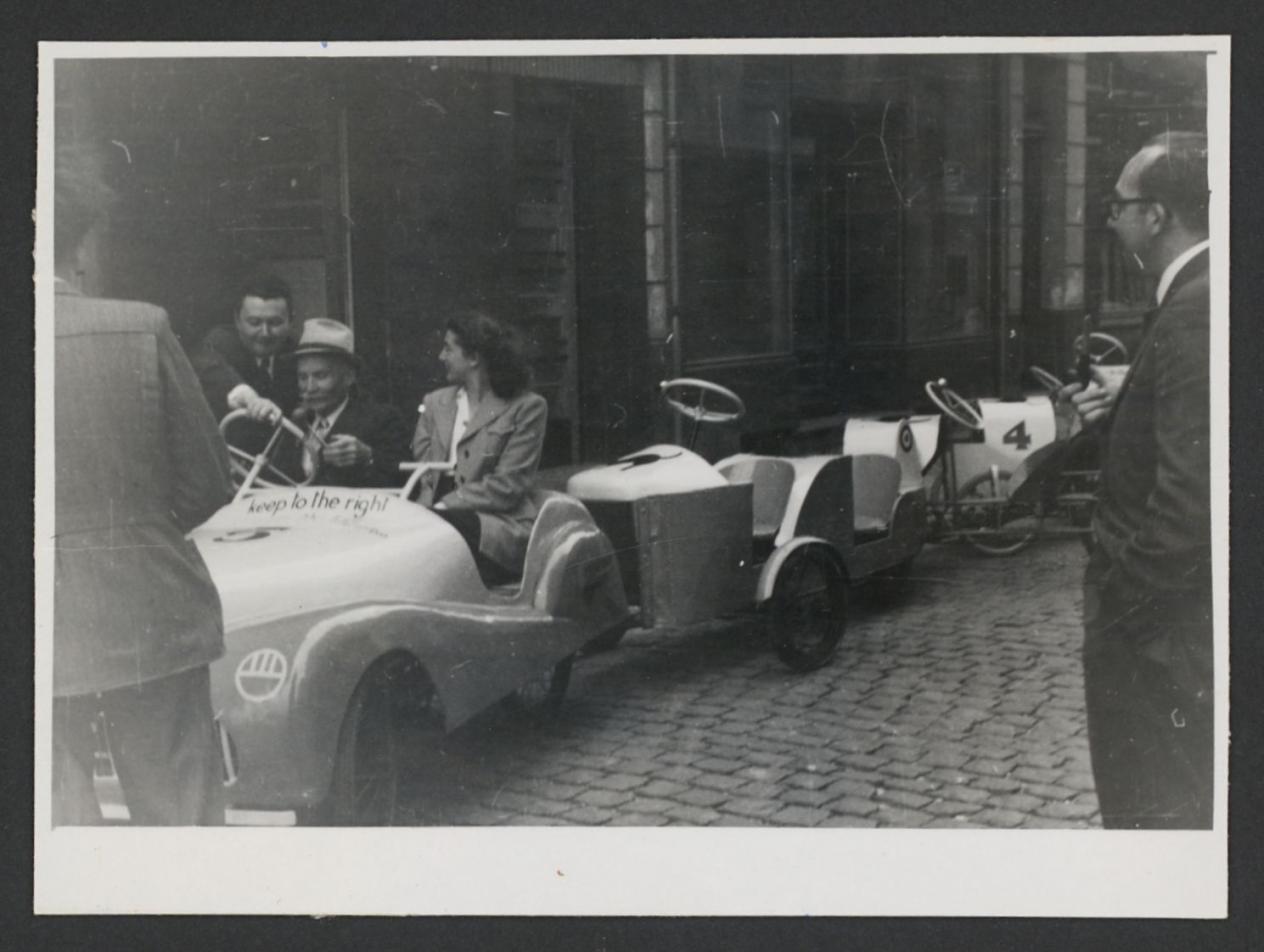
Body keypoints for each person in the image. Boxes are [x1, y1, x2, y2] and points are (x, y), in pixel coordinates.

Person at [52, 144, 233, 825]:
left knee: (53, 834)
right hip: (149, 605)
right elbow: (209, 480)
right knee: (179, 816)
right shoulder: (139, 325)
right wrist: (132, 529)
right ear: (81, 247)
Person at [1062, 131, 1213, 829]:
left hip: (1154, 643)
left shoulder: (1194, 309)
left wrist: (1118, 616)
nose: (1111, 218)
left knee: (1151, 816)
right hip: (1170, 634)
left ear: (1156, 216)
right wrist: (1129, 399)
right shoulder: (1200, 296)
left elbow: (1191, 504)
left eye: (1118, 205)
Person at [411, 311, 547, 582]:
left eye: (448, 348)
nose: (441, 356)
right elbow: (424, 473)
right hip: (433, 516)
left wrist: (445, 505)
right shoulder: (435, 403)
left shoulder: (526, 407)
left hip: (493, 524)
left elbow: (508, 486)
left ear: (474, 358)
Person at [285, 318, 411, 488]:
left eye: (321, 376)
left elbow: (406, 481)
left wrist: (368, 457)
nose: (309, 387)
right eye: (302, 377)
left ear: (349, 377)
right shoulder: (297, 422)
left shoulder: (382, 419)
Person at [190, 271, 299, 426]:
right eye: (254, 322)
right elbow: (206, 365)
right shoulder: (219, 342)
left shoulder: (298, 352)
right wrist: (248, 397)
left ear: (291, 321)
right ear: (237, 320)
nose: (265, 333)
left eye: (275, 323)